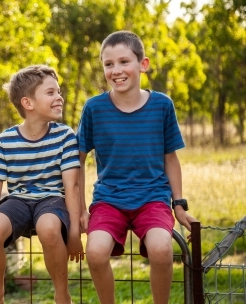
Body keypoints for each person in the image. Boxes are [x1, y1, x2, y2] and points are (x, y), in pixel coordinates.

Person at [76, 30, 198, 304]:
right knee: (95, 253)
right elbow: (78, 161)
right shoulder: (94, 108)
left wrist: (178, 204)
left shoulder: (162, 105)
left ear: (143, 64)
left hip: (152, 199)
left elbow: (171, 159)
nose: (116, 70)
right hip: (109, 200)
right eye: (108, 64)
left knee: (161, 250)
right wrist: (80, 209)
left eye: (123, 62)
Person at [0, 65, 87, 304]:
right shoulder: (5, 140)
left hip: (52, 200)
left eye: (58, 91)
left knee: (48, 227)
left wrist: (73, 235)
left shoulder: (65, 136)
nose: (59, 97)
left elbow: (72, 186)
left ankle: (62, 294)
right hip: (18, 201)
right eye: (50, 93)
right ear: (28, 103)